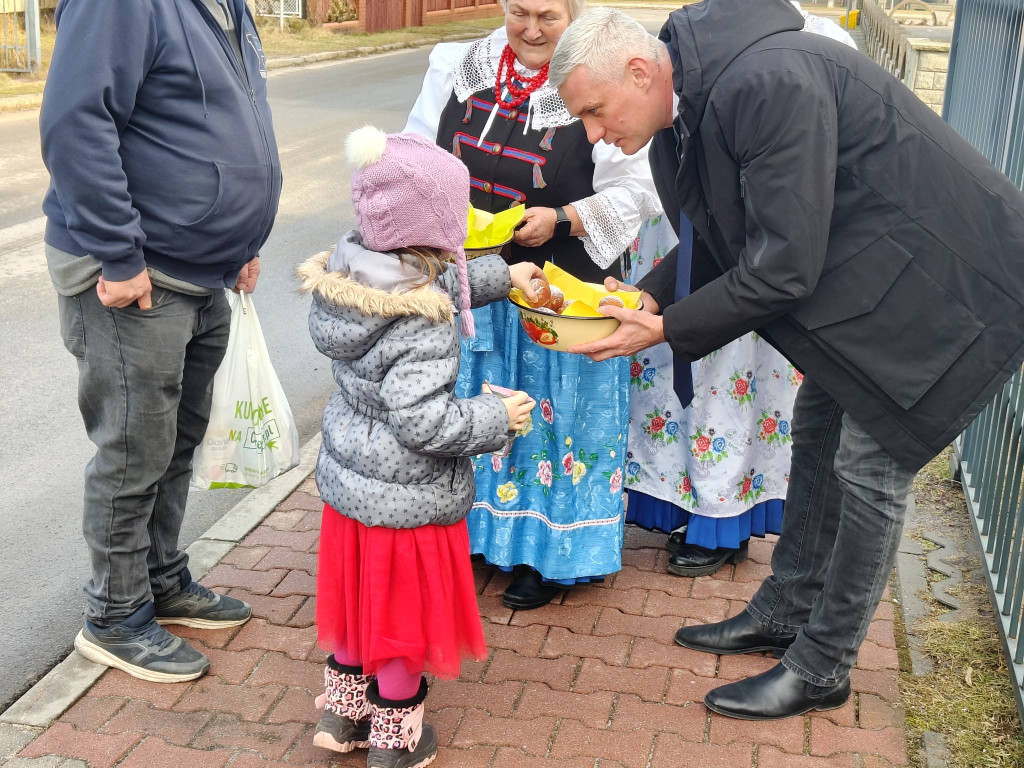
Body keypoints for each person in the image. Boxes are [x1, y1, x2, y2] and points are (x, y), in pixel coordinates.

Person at [550, 1, 1024, 720]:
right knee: (818, 425)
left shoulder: (768, 83)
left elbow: (781, 269)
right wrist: (648, 300)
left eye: (593, 110)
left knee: (870, 468)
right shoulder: (697, 99)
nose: (594, 135)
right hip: (880, 276)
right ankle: (787, 605)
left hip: (945, 281)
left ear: (641, 71)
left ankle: (824, 663)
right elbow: (719, 231)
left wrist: (668, 328)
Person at [41, 0, 281, 682]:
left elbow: (218, 122)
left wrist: (241, 241)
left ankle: (160, 580)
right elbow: (75, 123)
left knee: (176, 439)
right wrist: (117, 255)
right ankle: (116, 617)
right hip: (137, 275)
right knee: (133, 448)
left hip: (202, 270)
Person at [405, 0, 659, 610]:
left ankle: (553, 554)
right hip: (474, 280)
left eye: (549, 15)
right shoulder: (456, 64)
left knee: (553, 418)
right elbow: (412, 152)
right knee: (475, 407)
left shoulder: (594, 75)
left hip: (562, 286)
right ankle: (469, 534)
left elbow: (640, 189)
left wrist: (565, 218)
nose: (533, 30)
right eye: (521, 12)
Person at [299, 127, 539, 766]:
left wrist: (504, 274)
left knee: (354, 603)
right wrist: (497, 416)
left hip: (352, 483)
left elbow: (433, 279)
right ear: (434, 227)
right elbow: (425, 425)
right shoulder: (422, 323)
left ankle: (345, 718)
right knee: (400, 617)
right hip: (407, 496)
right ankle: (397, 740)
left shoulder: (356, 269)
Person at [624, 8, 854, 577]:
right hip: (701, 247)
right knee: (682, 391)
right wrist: (654, 296)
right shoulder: (686, 57)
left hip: (766, 263)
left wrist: (671, 321)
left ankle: (727, 517)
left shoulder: (792, 58)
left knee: (742, 390)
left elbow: (779, 248)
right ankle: (683, 504)